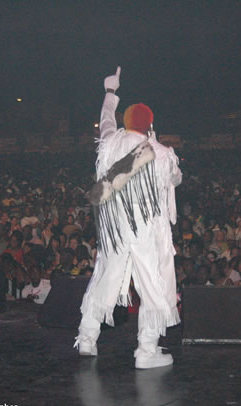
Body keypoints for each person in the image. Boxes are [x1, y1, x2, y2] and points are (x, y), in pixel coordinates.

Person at [75, 67, 182, 369]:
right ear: (150, 125)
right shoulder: (161, 152)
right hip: (148, 232)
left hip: (116, 230)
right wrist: (156, 143)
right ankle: (147, 351)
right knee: (154, 285)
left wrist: (110, 92)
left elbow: (106, 121)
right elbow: (176, 179)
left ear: (125, 122)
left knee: (105, 278)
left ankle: (87, 338)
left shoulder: (110, 142)